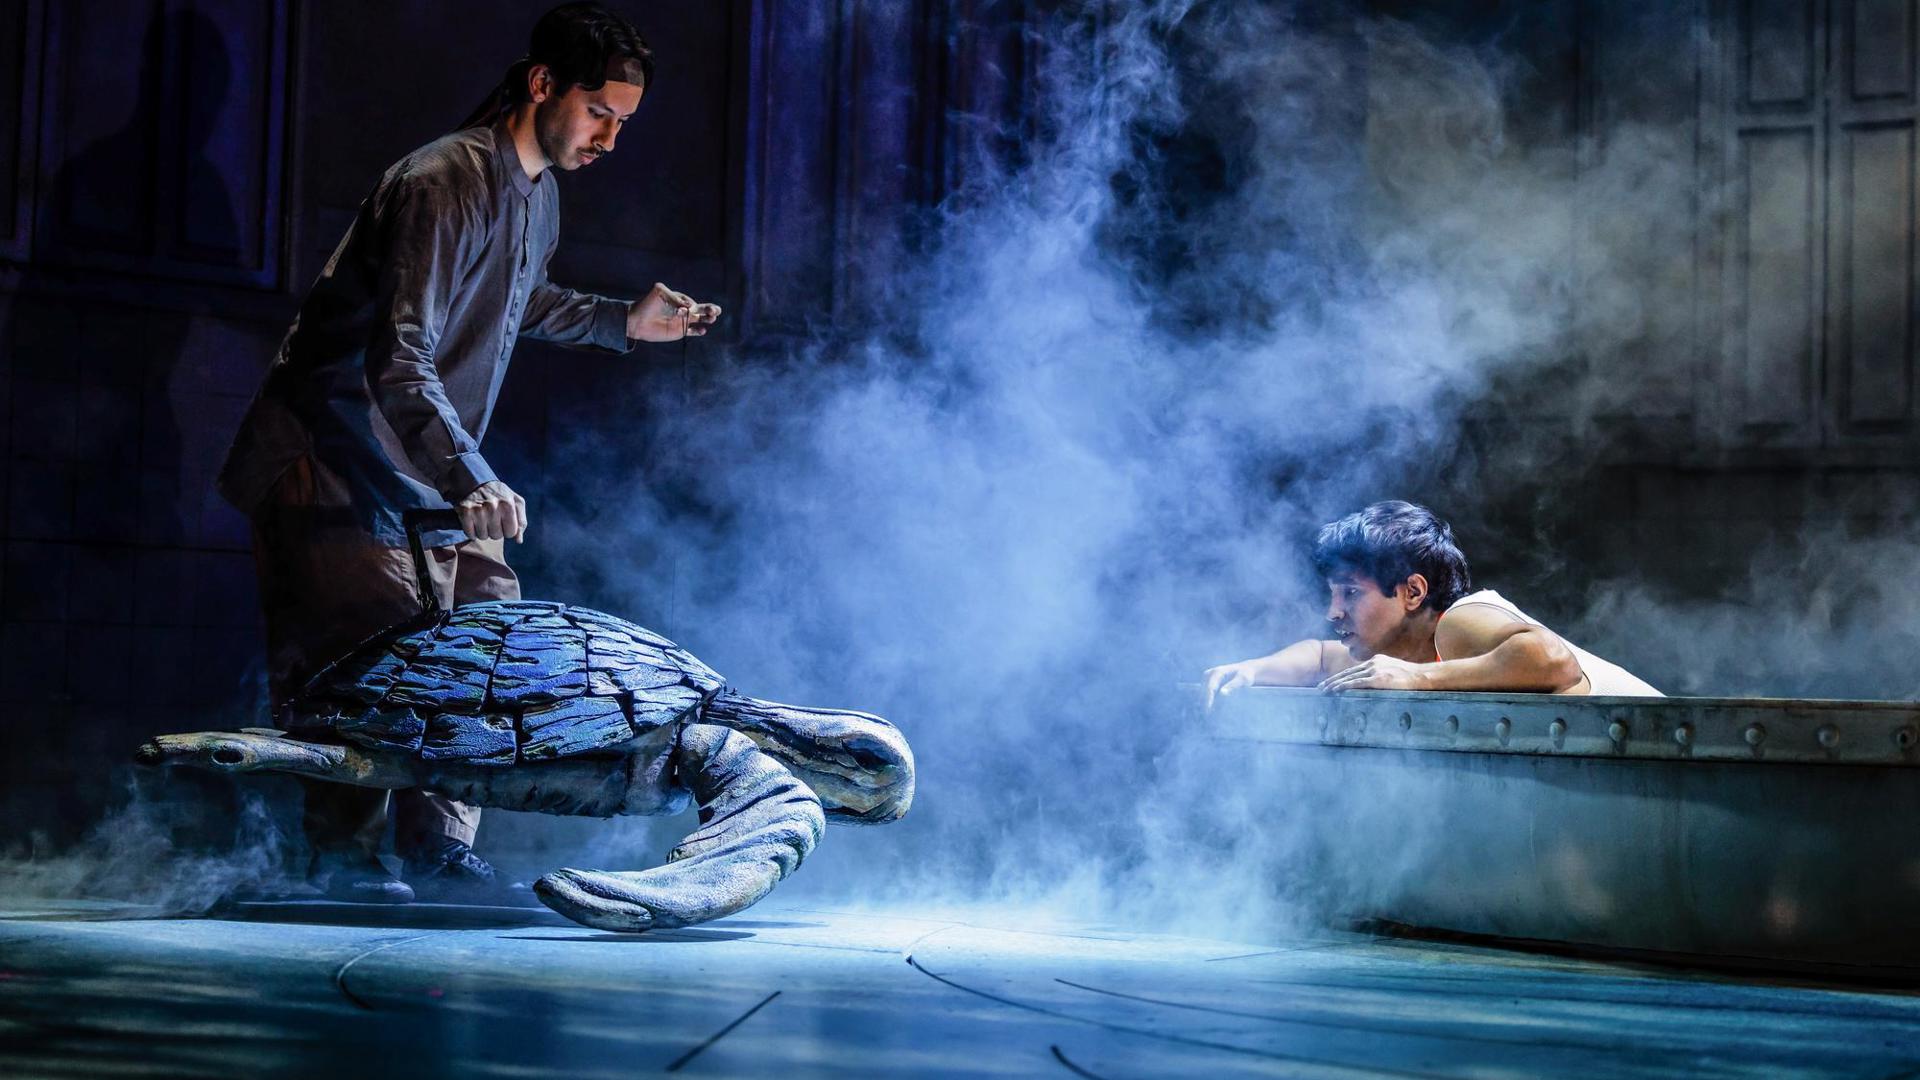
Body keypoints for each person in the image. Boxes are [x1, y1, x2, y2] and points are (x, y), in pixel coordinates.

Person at [216, 2, 721, 903]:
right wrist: (471, 475)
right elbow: (398, 353)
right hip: (333, 461)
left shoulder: (539, 195)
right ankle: (341, 864)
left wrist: (623, 322)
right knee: (369, 662)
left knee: (484, 631)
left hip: (415, 470)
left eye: (622, 122)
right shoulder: (443, 180)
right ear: (542, 86)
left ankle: (440, 851)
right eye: (599, 112)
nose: (610, 138)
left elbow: (518, 301)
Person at [1204, 501, 1661, 705]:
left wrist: (1416, 678)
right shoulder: (1408, 651)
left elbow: (1551, 660)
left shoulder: (1461, 620)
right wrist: (1252, 670)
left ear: (1413, 592)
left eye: (1351, 593)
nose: (1333, 612)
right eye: (1332, 594)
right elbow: (1322, 656)